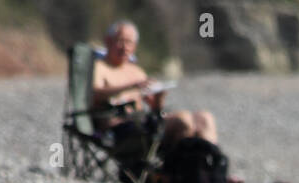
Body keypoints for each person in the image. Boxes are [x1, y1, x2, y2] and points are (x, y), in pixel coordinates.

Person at [92, 20, 218, 150]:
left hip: (142, 122)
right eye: (120, 41)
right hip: (119, 128)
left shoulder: (136, 71)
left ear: (134, 46)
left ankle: (211, 162)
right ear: (108, 41)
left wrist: (159, 97)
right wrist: (129, 86)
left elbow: (155, 108)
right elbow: (95, 94)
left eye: (129, 42)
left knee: (204, 118)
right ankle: (187, 165)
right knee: (183, 120)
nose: (125, 47)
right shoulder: (100, 67)